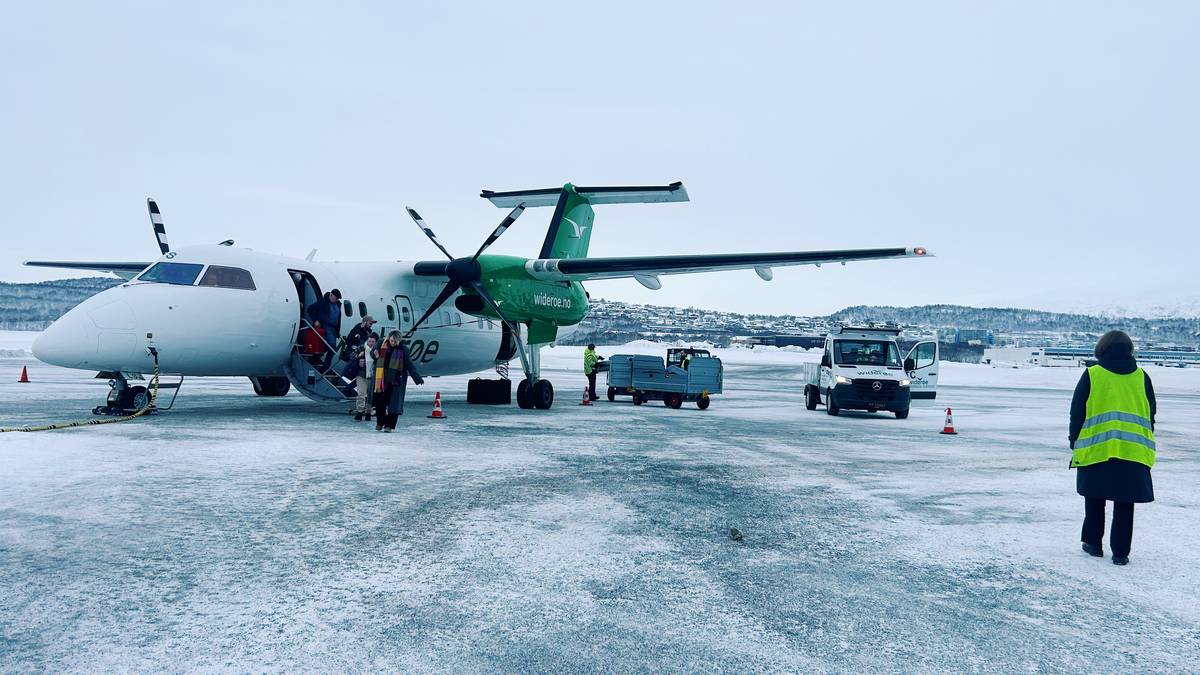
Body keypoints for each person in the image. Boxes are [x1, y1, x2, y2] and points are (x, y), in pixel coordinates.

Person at [1069, 330, 1156, 566]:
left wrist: (1074, 441)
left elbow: (1077, 412)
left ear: (1102, 349)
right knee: (1125, 503)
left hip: (1096, 447)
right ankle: (1120, 553)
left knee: (1094, 497)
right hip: (1133, 450)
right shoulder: (1142, 376)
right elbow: (1151, 414)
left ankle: (1093, 544)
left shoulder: (1092, 374)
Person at [373, 330, 424, 432]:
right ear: (389, 338)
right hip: (381, 379)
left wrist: (417, 378)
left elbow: (409, 365)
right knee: (379, 403)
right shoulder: (381, 343)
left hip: (395, 380)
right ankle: (380, 422)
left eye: (395, 341)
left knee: (394, 405)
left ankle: (389, 426)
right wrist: (374, 354)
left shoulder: (403, 349)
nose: (393, 343)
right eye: (392, 340)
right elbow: (373, 352)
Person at [306, 289, 343, 370]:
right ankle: (325, 367)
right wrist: (315, 320)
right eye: (336, 298)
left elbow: (338, 318)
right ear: (331, 295)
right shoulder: (323, 302)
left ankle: (315, 358)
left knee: (328, 347)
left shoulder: (338, 304)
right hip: (326, 326)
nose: (337, 300)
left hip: (333, 328)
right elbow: (310, 309)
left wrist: (337, 331)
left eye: (338, 299)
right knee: (332, 347)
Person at [351, 334, 377, 422]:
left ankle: (368, 412)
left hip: (372, 375)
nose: (370, 343)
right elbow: (351, 356)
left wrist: (377, 358)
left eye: (373, 342)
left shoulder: (377, 350)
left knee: (370, 395)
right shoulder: (362, 348)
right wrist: (358, 357)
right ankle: (360, 411)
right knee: (361, 393)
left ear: (375, 342)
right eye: (369, 341)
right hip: (361, 374)